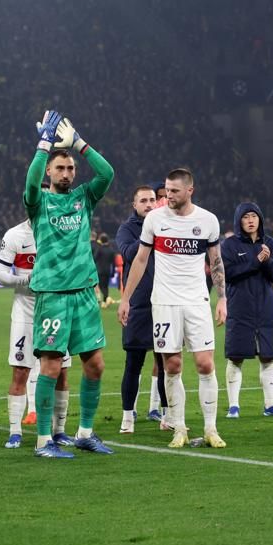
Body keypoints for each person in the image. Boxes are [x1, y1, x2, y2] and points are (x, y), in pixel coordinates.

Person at [23, 112, 115, 458]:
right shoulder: (39, 203)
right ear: (50, 171)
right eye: (60, 168)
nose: (66, 173)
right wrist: (43, 148)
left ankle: (85, 432)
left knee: (95, 365)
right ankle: (44, 440)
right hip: (53, 295)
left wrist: (79, 144)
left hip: (84, 294)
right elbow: (31, 184)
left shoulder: (84, 198)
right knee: (50, 366)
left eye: (70, 168)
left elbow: (107, 173)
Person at [119, 169, 227, 448]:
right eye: (166, 191)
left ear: (190, 190)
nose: (167, 196)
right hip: (164, 302)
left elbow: (216, 261)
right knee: (173, 364)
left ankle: (211, 428)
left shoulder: (207, 220)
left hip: (197, 301)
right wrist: (126, 298)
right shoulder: (155, 219)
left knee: (205, 363)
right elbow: (141, 260)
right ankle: (179, 427)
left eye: (174, 192)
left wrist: (223, 299)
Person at [0, 218, 74, 448]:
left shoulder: (63, 232)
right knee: (20, 371)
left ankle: (59, 431)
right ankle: (15, 431)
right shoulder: (15, 235)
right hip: (25, 315)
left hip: (57, 312)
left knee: (61, 373)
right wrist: (25, 279)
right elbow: (0, 274)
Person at [221, 202, 273, 417]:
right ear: (239, 220)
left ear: (260, 219)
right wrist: (255, 261)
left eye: (254, 216)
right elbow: (228, 273)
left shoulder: (271, 244)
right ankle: (234, 406)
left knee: (268, 356)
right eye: (246, 217)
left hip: (265, 308)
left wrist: (267, 261)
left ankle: (270, 405)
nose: (250, 220)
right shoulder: (229, 245)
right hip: (239, 308)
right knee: (236, 357)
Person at [116, 185, 168, 432]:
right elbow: (127, 253)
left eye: (152, 200)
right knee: (133, 362)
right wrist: (149, 233)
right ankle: (128, 416)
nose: (149, 204)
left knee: (166, 362)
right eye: (144, 201)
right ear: (134, 205)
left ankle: (168, 415)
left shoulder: (168, 225)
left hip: (165, 302)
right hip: (138, 304)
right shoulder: (127, 229)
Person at [92, 232, 117, 308]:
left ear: (101, 241)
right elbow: (113, 263)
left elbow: (95, 259)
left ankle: (107, 298)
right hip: (108, 270)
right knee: (106, 286)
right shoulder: (111, 250)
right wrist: (113, 272)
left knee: (100, 286)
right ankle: (105, 301)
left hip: (100, 270)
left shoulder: (99, 249)